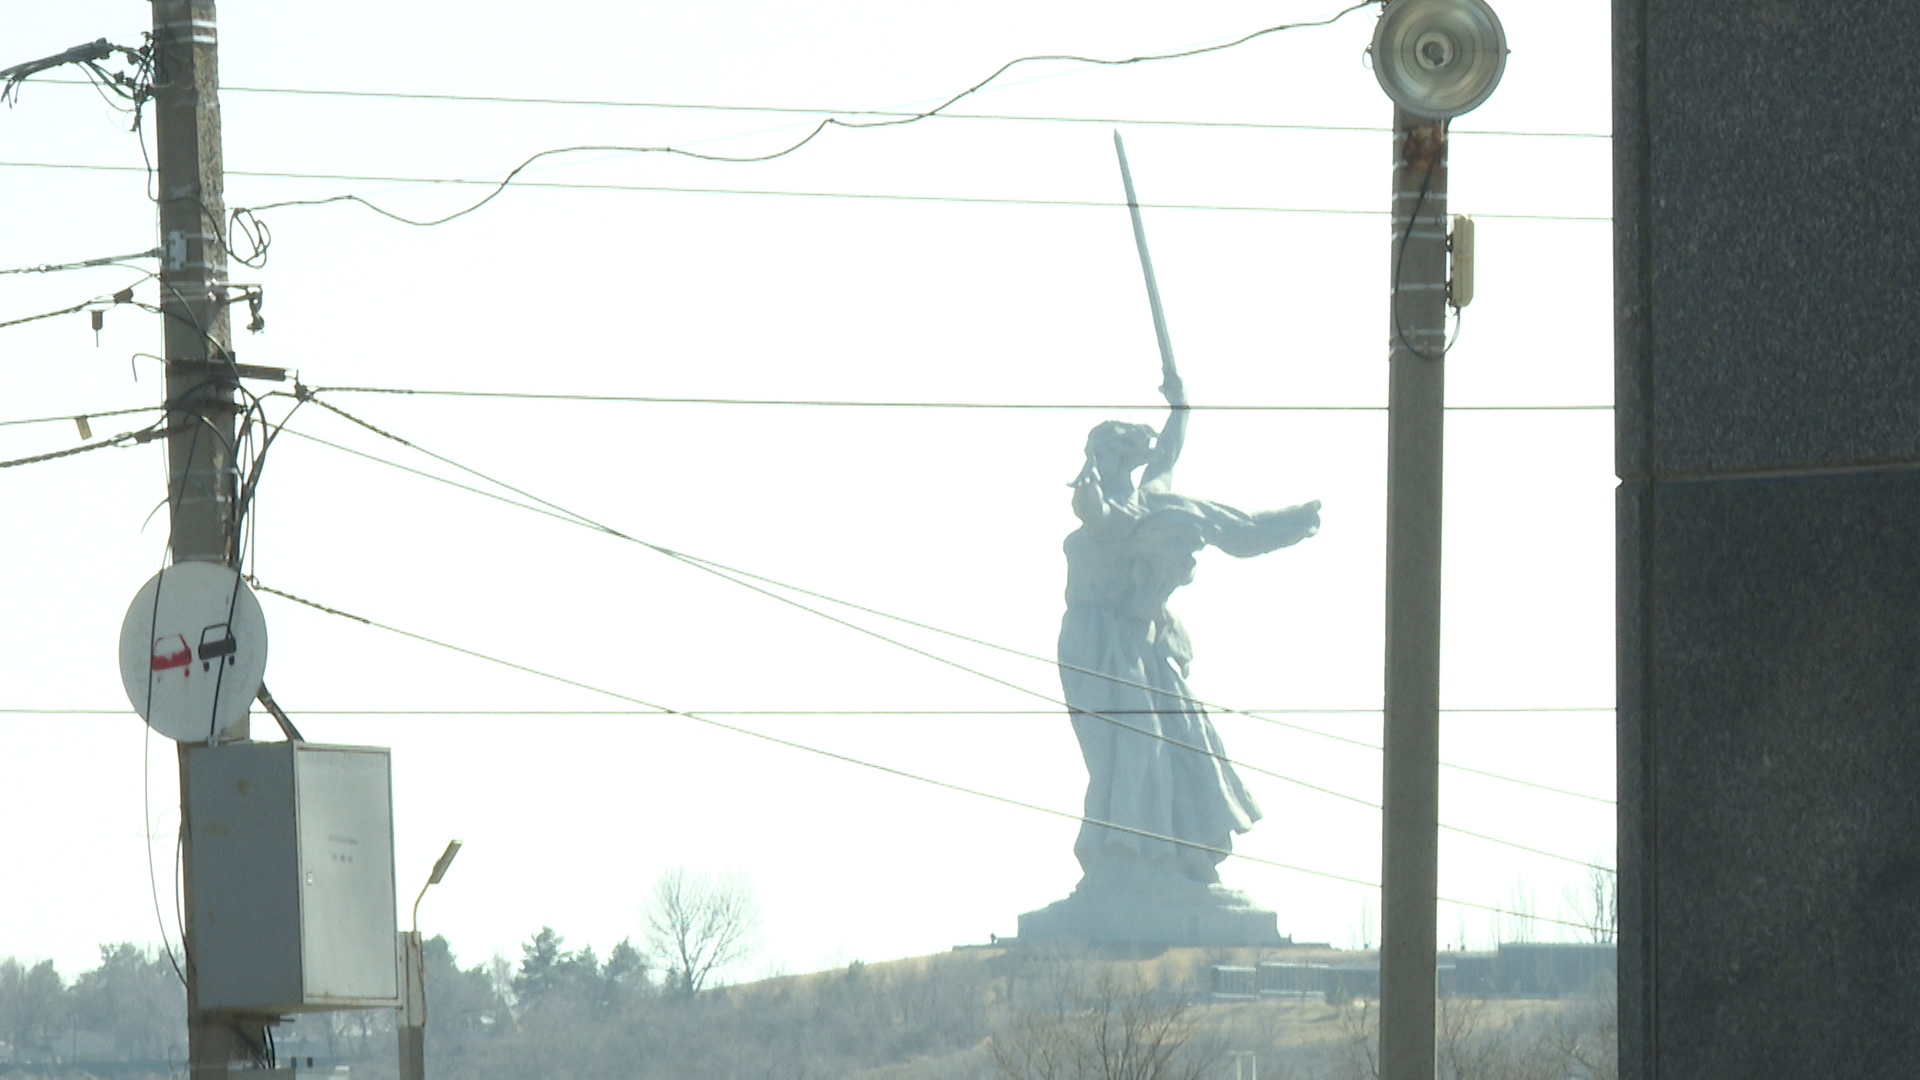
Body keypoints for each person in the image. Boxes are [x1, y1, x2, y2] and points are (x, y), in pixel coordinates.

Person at [1060, 372, 1320, 887]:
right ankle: (1127, 854)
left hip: (1140, 639)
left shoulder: (1146, 504)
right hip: (1095, 643)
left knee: (1185, 735)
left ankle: (1188, 850)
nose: (1098, 463)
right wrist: (1090, 494)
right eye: (1097, 455)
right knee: (1133, 744)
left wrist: (1180, 408)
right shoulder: (1104, 513)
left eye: (1106, 454)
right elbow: (1098, 516)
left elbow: (1165, 460)